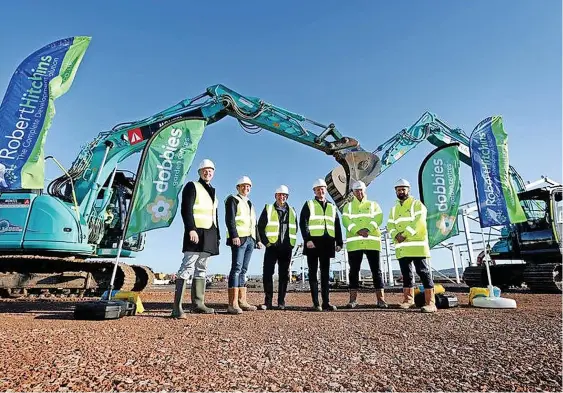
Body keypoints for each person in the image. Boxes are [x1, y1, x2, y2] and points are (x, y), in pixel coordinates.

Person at [172, 159, 220, 319]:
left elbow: (214, 215)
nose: (208, 172)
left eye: (210, 170)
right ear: (200, 172)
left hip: (209, 234)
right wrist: (190, 229)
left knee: (202, 268)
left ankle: (198, 304)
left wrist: (217, 236)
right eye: (205, 170)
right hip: (195, 232)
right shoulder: (192, 186)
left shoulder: (213, 190)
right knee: (187, 266)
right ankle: (177, 308)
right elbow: (186, 209)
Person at [386, 178, 437, 313]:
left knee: (423, 272)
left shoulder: (416, 204)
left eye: (403, 189)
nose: (401, 191)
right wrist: (395, 234)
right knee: (406, 274)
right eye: (398, 190)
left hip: (416, 246)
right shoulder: (394, 209)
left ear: (408, 190)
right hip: (402, 248)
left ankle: (430, 303)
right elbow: (390, 224)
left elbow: (419, 221)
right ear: (396, 192)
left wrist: (404, 234)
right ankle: (408, 300)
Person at [341, 180, 387, 309]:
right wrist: (357, 230)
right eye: (356, 190)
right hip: (355, 243)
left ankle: (381, 300)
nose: (359, 192)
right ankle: (353, 300)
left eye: (361, 190)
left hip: (371, 242)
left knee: (376, 271)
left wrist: (368, 229)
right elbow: (345, 221)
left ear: (364, 190)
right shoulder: (348, 207)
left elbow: (378, 218)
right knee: (354, 271)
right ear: (353, 192)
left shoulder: (374, 205)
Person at [299, 178, 343, 311]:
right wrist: (307, 240)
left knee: (325, 274)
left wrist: (339, 242)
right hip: (313, 242)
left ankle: (326, 302)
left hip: (327, 243)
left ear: (326, 190)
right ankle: (315, 303)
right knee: (312, 273)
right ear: (314, 191)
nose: (320, 191)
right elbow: (303, 223)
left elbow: (337, 225)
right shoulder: (309, 204)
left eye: (322, 189)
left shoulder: (332, 206)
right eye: (318, 189)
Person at [225, 176, 264, 314]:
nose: (246, 188)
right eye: (243, 186)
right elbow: (230, 219)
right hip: (239, 238)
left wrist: (258, 240)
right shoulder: (233, 199)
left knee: (244, 270)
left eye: (248, 186)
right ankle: (232, 303)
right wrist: (234, 235)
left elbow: (255, 224)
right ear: (238, 187)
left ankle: (242, 301)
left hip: (250, 239)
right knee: (236, 268)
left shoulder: (250, 204)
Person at [257, 185, 298, 310]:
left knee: (284, 275)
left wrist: (290, 243)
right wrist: (267, 243)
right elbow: (260, 227)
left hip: (286, 247)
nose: (282, 197)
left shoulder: (292, 210)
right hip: (272, 247)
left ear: (287, 197)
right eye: (279, 195)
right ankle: (268, 302)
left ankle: (281, 302)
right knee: (268, 273)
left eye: (284, 195)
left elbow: (295, 228)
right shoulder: (268, 208)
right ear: (275, 196)